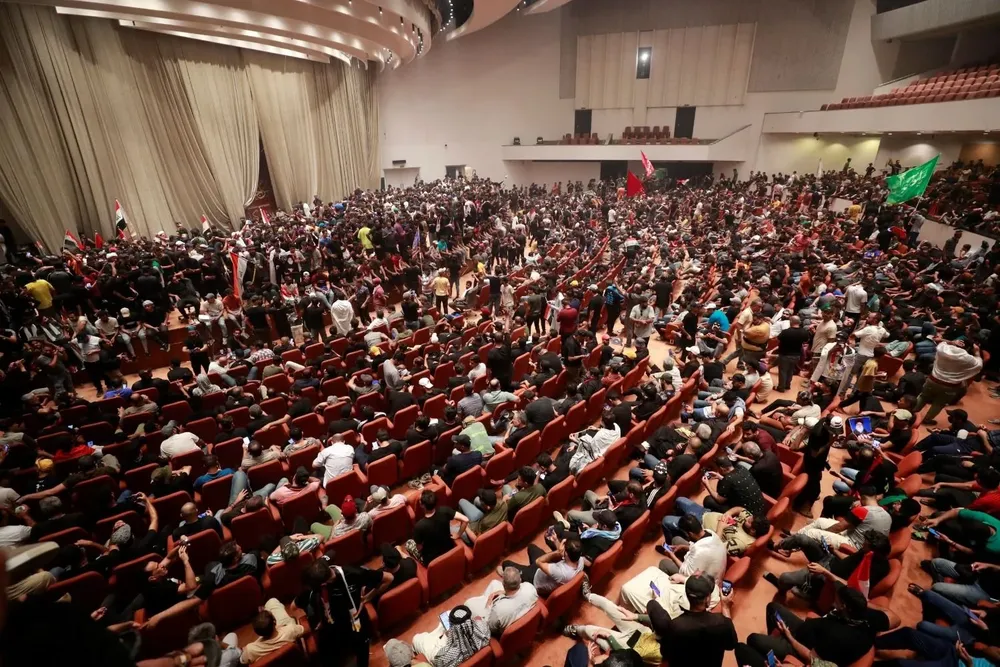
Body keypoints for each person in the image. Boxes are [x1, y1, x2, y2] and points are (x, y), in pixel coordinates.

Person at [295, 557, 383, 667]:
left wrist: (367, 598)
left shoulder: (353, 573)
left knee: (362, 654)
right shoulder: (317, 586)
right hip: (335, 626)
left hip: (357, 623)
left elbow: (388, 578)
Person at [646, 575, 737, 667]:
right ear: (707, 599)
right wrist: (725, 607)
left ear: (687, 597)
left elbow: (665, 652)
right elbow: (732, 644)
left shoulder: (675, 625)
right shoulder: (720, 622)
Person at [240, 599, 306, 663]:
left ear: (256, 632)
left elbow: (243, 661)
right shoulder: (291, 630)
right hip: (293, 662)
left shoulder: (250, 650)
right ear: (275, 622)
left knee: (271, 602)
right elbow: (305, 630)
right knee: (272, 601)